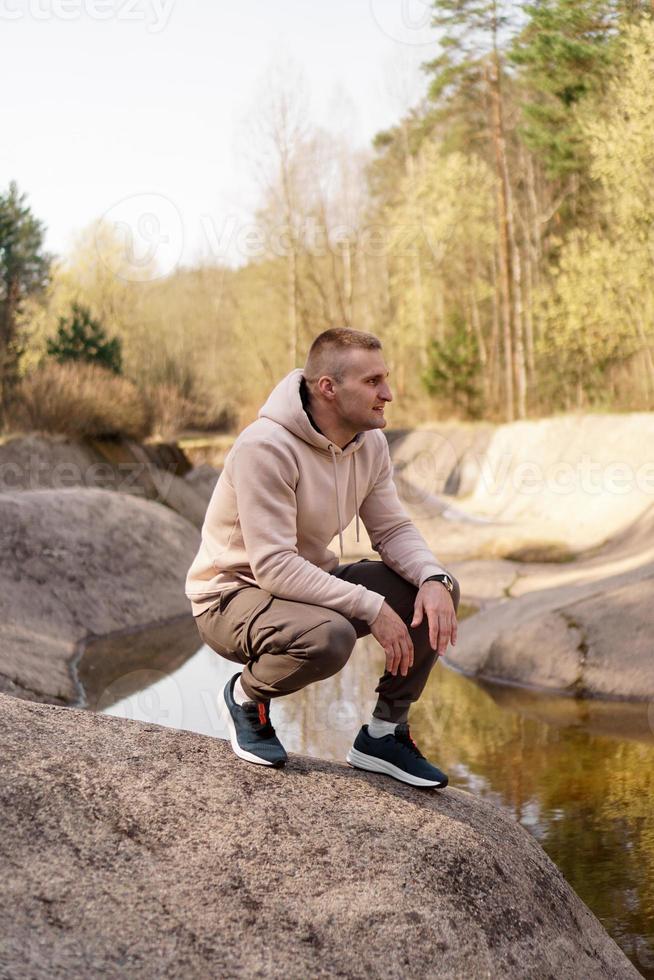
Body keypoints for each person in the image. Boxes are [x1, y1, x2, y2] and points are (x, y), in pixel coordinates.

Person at [185, 328, 460, 788]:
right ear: (328, 388)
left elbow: (391, 529)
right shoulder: (264, 448)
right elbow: (272, 567)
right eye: (373, 382)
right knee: (331, 638)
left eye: (385, 379)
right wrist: (371, 607)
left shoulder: (368, 444)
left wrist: (434, 578)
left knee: (431, 592)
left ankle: (383, 734)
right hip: (230, 598)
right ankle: (245, 696)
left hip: (305, 585)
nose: (387, 394)